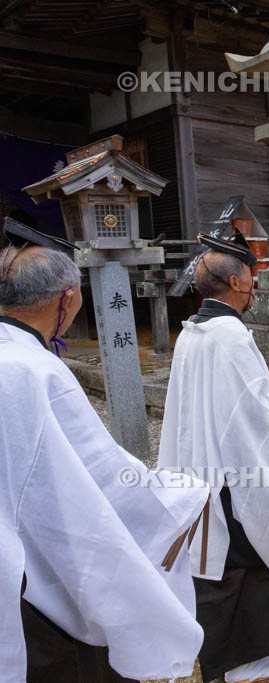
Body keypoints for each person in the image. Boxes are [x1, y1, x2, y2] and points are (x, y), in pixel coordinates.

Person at [0, 218, 209, 682]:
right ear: (68, 298)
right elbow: (100, 481)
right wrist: (178, 494)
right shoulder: (36, 373)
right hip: (34, 588)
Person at [158, 231, 269, 683]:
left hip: (201, 460)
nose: (255, 284)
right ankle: (241, 660)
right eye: (251, 275)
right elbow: (251, 416)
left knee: (217, 560)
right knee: (243, 558)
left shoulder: (192, 331)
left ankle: (223, 650)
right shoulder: (230, 335)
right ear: (234, 281)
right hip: (232, 470)